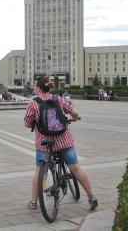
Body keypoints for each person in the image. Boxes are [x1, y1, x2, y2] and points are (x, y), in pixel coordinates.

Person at [24, 76, 97, 211]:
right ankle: (91, 197)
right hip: (64, 141)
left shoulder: (33, 103)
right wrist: (73, 119)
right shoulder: (58, 99)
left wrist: (34, 122)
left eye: (35, 86)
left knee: (39, 170)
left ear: (39, 88)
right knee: (76, 168)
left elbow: (27, 123)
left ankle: (34, 203)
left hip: (45, 143)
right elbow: (75, 112)